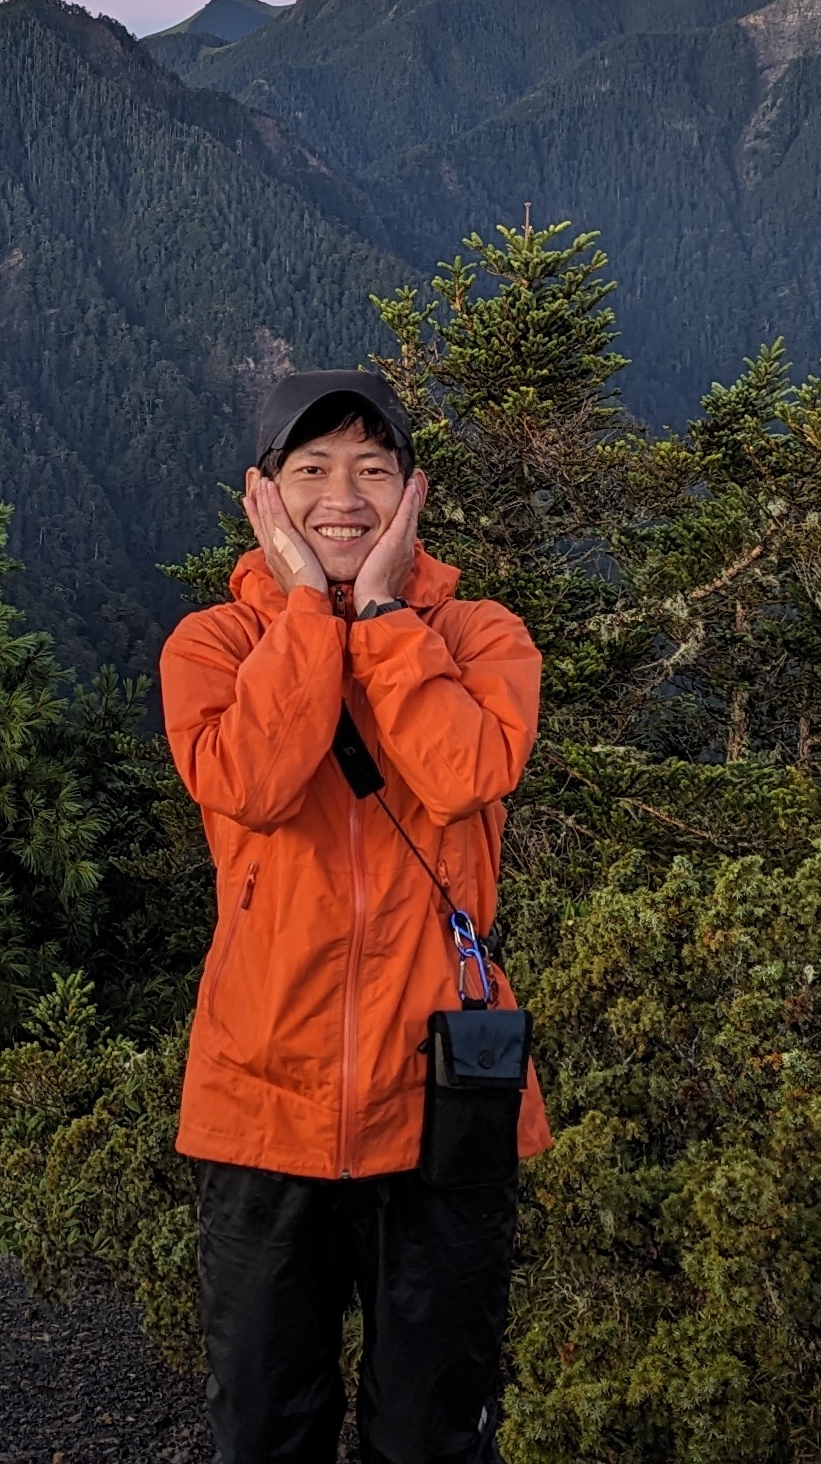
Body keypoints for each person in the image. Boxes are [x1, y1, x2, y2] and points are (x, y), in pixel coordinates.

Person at [160, 367, 547, 1463]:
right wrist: (301, 613)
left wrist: (377, 618)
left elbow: (463, 768)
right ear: (263, 494)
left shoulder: (479, 638)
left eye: (373, 470)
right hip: (261, 1098)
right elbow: (257, 781)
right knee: (265, 1431)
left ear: (412, 494)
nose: (344, 496)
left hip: (438, 1101)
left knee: (434, 1435)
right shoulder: (214, 649)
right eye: (312, 469)